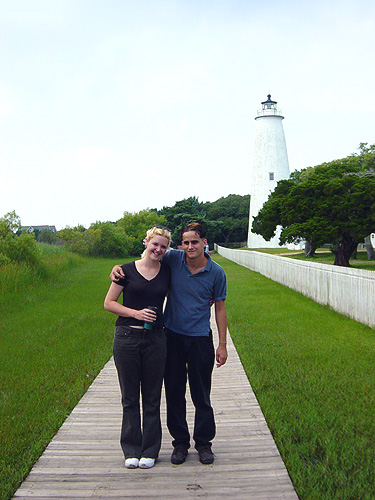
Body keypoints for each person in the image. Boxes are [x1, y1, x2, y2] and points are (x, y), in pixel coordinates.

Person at [110, 222, 228, 466]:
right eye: (185, 242)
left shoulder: (216, 272)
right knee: (174, 393)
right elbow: (149, 257)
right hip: (171, 337)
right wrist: (116, 269)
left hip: (200, 339)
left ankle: (204, 443)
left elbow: (220, 308)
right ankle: (180, 443)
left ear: (205, 243)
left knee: (201, 393)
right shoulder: (174, 259)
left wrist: (222, 343)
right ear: (180, 245)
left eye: (194, 242)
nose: (190, 246)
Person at [104, 226, 171, 470]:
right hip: (126, 338)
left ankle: (150, 450)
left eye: (163, 246)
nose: (158, 249)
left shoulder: (167, 271)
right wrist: (135, 313)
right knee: (129, 397)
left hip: (156, 339)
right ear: (146, 242)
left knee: (152, 397)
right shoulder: (125, 270)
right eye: (155, 244)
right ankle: (131, 449)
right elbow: (109, 303)